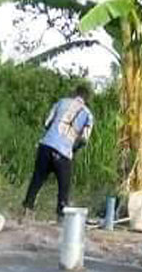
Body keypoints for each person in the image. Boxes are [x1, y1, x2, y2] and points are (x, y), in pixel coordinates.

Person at [22, 85, 94, 220]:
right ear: (87, 99)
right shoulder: (88, 115)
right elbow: (84, 139)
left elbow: (47, 123)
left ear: (74, 93)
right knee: (63, 187)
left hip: (46, 146)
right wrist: (73, 148)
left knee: (37, 179)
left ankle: (26, 211)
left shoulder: (61, 102)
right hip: (64, 153)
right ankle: (60, 218)